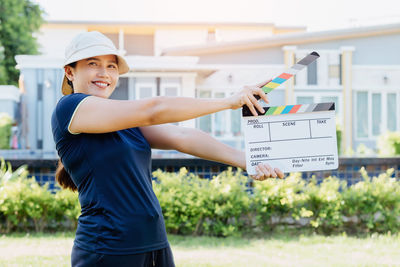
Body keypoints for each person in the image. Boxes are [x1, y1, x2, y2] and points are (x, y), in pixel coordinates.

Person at [51, 31, 284, 267]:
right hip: (108, 249)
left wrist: (247, 161)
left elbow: (181, 136)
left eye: (111, 66)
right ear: (70, 72)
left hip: (154, 244)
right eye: (93, 64)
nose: (104, 73)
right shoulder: (69, 108)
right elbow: (154, 109)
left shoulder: (122, 119)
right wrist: (228, 102)